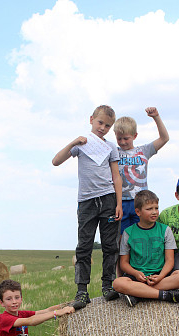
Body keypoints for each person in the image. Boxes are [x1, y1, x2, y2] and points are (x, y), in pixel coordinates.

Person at [52, 105, 123, 308]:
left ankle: (108, 286)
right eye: (100, 123)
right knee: (84, 247)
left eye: (108, 126)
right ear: (91, 119)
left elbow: (116, 176)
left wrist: (119, 203)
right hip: (86, 202)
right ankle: (82, 291)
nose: (103, 128)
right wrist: (74, 142)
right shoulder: (81, 144)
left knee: (110, 246)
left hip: (108, 199)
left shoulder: (111, 147)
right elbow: (56, 161)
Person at [113, 190, 179, 307]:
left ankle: (140, 293)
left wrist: (160, 276)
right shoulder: (128, 233)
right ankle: (166, 295)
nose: (154, 212)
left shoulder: (165, 230)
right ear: (138, 212)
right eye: (149, 209)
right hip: (138, 277)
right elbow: (123, 264)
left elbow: (170, 261)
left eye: (156, 208)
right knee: (117, 283)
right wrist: (136, 274)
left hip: (160, 276)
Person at [114, 107, 169, 235]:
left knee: (140, 235)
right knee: (121, 238)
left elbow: (164, 138)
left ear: (135, 136)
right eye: (119, 138)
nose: (122, 142)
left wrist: (156, 117)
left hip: (140, 202)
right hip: (120, 202)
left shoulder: (144, 151)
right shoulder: (114, 152)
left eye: (126, 138)